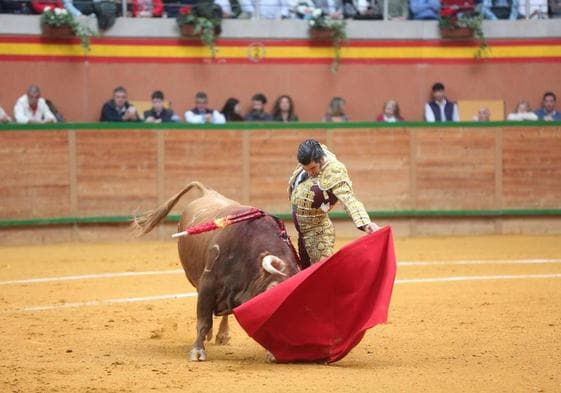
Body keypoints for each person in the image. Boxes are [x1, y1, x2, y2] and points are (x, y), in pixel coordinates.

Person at [288, 139, 380, 267]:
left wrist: (365, 223)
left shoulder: (334, 171)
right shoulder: (311, 156)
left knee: (320, 275)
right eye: (306, 169)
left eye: (313, 168)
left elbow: (349, 199)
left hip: (318, 233)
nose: (310, 173)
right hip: (302, 232)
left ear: (321, 159)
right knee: (304, 272)